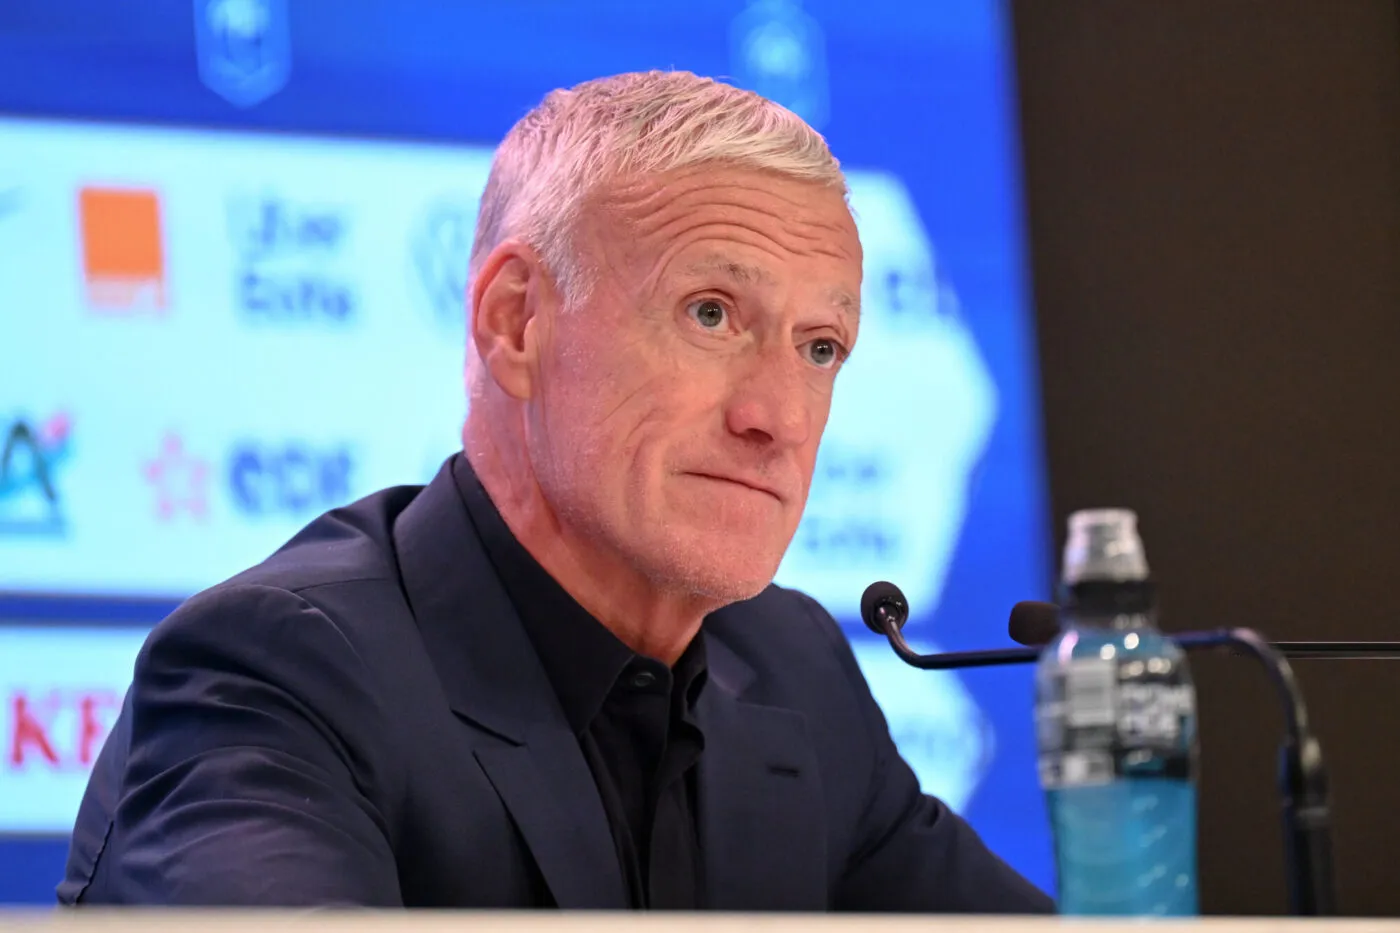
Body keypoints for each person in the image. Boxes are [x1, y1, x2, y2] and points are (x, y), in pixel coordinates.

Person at [60, 71, 1054, 912]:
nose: (779, 417)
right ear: (514, 324)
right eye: (710, 313)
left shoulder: (789, 668)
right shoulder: (280, 675)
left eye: (818, 347)